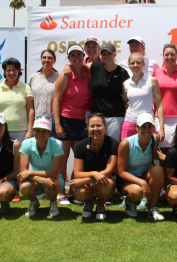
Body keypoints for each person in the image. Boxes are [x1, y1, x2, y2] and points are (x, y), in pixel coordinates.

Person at [53, 44, 91, 205]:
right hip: (65, 120)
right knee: (62, 159)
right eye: (72, 55)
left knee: (79, 159)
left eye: (79, 54)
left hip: (81, 121)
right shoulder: (64, 74)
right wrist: (57, 124)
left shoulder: (88, 73)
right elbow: (56, 100)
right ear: (68, 58)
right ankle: (61, 193)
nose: (76, 57)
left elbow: (97, 63)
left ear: (83, 56)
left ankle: (72, 192)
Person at [116, 113, 165, 221]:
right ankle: (129, 202)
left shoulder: (155, 139)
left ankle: (152, 208)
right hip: (126, 180)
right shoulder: (126, 144)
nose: (147, 130)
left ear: (153, 127)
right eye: (143, 126)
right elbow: (121, 172)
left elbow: (154, 153)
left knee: (158, 170)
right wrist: (142, 183)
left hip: (144, 175)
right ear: (137, 127)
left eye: (150, 126)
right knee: (137, 192)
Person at [70, 114, 118, 220]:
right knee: (80, 192)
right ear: (88, 129)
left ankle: (100, 205)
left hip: (105, 178)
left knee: (106, 185)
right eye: (92, 126)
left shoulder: (113, 144)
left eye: (99, 125)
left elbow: (109, 171)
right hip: (89, 181)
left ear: (105, 128)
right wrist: (94, 174)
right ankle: (89, 203)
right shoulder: (81, 146)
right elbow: (77, 173)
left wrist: (85, 181)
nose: (95, 129)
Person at [18, 116, 65, 217]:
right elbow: (23, 173)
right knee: (25, 186)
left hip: (54, 178)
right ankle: (34, 202)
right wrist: (43, 180)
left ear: (49, 133)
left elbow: (55, 173)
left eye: (44, 131)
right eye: (37, 130)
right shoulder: (26, 143)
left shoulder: (57, 144)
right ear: (33, 131)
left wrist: (31, 172)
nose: (40, 134)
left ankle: (53, 203)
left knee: (52, 184)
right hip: (35, 180)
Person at [153, 44, 177, 150]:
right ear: (163, 56)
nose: (169, 57)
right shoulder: (157, 72)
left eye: (172, 54)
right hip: (161, 118)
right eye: (167, 55)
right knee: (162, 150)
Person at [121, 52, 165, 141]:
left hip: (147, 123)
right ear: (129, 65)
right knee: (126, 151)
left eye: (138, 62)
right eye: (132, 63)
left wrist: (161, 128)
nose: (135, 65)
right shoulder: (125, 83)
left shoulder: (152, 80)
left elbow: (159, 105)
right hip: (129, 122)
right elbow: (123, 103)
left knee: (149, 153)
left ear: (143, 64)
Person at [0, 58, 34, 143]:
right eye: (8, 70)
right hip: (1, 131)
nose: (11, 73)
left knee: (21, 156)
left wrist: (29, 131)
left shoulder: (25, 87)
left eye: (14, 70)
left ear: (18, 71)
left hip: (22, 131)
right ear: (5, 72)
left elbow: (30, 110)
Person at [29, 49, 58, 117]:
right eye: (44, 57)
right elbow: (29, 103)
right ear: (41, 59)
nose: (46, 60)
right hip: (36, 121)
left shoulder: (59, 78)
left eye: (49, 58)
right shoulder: (33, 77)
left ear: (55, 60)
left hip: (52, 120)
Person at [82, 36, 102, 121]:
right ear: (85, 49)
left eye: (94, 46)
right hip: (83, 108)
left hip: (101, 107)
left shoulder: (105, 64)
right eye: (88, 47)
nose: (91, 49)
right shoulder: (79, 65)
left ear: (99, 48)